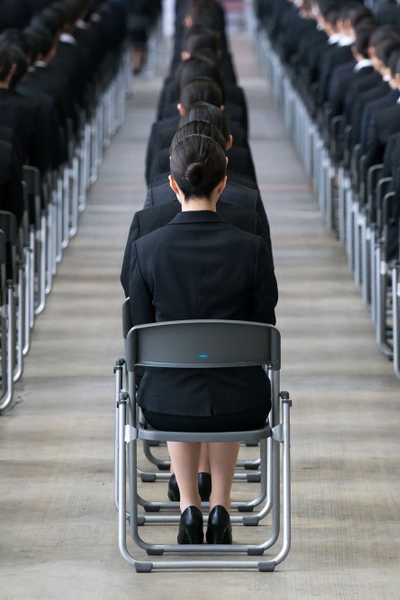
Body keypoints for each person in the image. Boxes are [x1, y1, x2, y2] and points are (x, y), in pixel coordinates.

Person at [128, 133, 278, 545]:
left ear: (173, 185)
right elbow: (264, 326)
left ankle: (189, 508)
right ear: (223, 183)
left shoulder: (147, 248)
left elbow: (138, 338)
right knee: (227, 369)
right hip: (242, 404)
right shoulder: (251, 249)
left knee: (172, 371)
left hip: (164, 405)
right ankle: (222, 510)